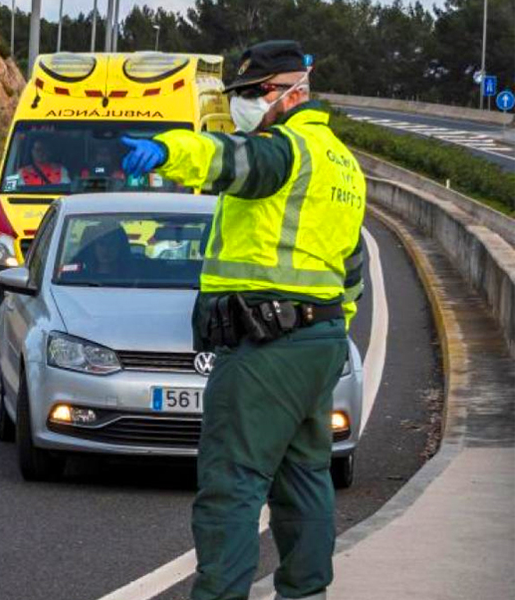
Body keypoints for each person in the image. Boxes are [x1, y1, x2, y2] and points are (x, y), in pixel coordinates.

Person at [121, 41, 366, 600]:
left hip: (267, 344)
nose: (245, 105)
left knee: (231, 484)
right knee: (304, 480)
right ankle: (306, 593)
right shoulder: (342, 164)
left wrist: (166, 150)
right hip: (318, 340)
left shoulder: (285, 150)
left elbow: (231, 160)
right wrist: (328, 336)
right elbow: (351, 268)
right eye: (242, 95)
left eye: (256, 93)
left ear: (293, 91)